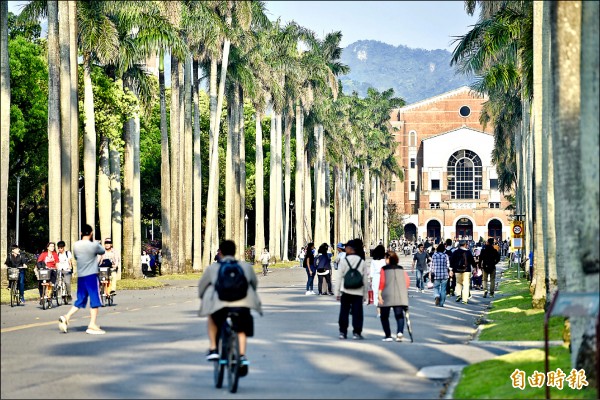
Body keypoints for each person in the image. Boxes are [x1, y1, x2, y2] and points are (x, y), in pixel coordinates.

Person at [198, 240, 262, 377]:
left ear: (220, 253)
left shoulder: (213, 268)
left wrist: (203, 296)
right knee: (241, 328)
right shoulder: (245, 267)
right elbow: (254, 284)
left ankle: (214, 349)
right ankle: (242, 356)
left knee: (212, 318)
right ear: (235, 252)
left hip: (220, 305)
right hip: (242, 305)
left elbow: (202, 287)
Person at [58, 224, 106, 335]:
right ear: (91, 233)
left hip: (81, 276)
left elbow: (75, 257)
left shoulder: (76, 245)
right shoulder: (94, 245)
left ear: (80, 233)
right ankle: (92, 325)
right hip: (91, 276)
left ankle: (66, 317)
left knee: (80, 299)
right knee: (95, 299)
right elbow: (102, 251)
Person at [334, 239, 369, 340]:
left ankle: (342, 332)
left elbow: (339, 277)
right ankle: (357, 333)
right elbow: (365, 280)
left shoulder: (344, 261)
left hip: (346, 290)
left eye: (347, 247)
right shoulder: (361, 262)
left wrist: (337, 292)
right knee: (357, 312)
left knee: (344, 312)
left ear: (350, 249)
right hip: (358, 291)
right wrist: (365, 294)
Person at [378, 251, 410, 341]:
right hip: (399, 294)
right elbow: (407, 281)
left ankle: (388, 335)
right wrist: (403, 290)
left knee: (384, 316)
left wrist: (379, 293)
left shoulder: (384, 269)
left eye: (386, 258)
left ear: (388, 258)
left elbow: (382, 282)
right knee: (399, 315)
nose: (385, 260)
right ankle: (400, 332)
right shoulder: (401, 269)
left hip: (387, 294)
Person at [450, 240, 477, 304]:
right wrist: (474, 267)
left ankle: (458, 294)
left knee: (458, 283)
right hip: (466, 270)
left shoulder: (455, 252)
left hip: (457, 270)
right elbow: (472, 261)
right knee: (466, 285)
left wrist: (451, 270)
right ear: (465, 245)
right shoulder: (468, 252)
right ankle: (464, 299)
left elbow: (452, 261)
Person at [369, 244, 386, 317]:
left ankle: (378, 312)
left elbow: (371, 272)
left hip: (376, 277)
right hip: (384, 277)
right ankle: (384, 309)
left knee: (376, 294)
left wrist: (371, 281)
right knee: (383, 294)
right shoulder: (385, 261)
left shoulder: (373, 261)